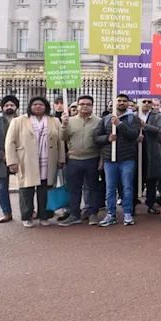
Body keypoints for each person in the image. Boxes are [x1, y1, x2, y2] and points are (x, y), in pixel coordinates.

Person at [4, 96, 64, 228]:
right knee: (26, 190)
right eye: (35, 104)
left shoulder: (54, 121)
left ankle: (44, 216)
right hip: (26, 160)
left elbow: (61, 141)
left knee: (45, 190)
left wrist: (61, 159)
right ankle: (27, 216)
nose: (38, 106)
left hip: (47, 160)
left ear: (46, 107)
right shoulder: (19, 121)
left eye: (41, 104)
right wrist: (12, 162)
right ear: (30, 106)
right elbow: (10, 142)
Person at [94, 94, 142, 227]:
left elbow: (134, 135)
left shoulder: (134, 119)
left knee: (127, 187)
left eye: (124, 101)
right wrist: (107, 139)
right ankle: (111, 214)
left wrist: (120, 124)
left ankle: (127, 212)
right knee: (110, 188)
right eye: (119, 101)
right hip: (110, 159)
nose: (121, 103)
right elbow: (96, 137)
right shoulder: (105, 119)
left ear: (128, 103)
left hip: (127, 158)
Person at [58, 95, 100, 226]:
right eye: (82, 104)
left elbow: (103, 143)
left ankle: (92, 213)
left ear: (92, 106)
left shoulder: (99, 121)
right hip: (74, 160)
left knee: (92, 188)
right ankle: (74, 214)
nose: (85, 106)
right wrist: (64, 126)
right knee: (74, 189)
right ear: (78, 105)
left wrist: (102, 160)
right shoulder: (69, 121)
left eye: (88, 104)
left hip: (92, 158)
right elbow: (62, 138)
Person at [137, 98, 161, 214]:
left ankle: (151, 203)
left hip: (151, 150)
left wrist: (145, 126)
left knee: (151, 180)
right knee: (135, 178)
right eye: (144, 102)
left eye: (149, 102)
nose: (147, 104)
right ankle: (133, 203)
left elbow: (160, 129)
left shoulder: (157, 116)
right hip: (136, 150)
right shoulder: (134, 115)